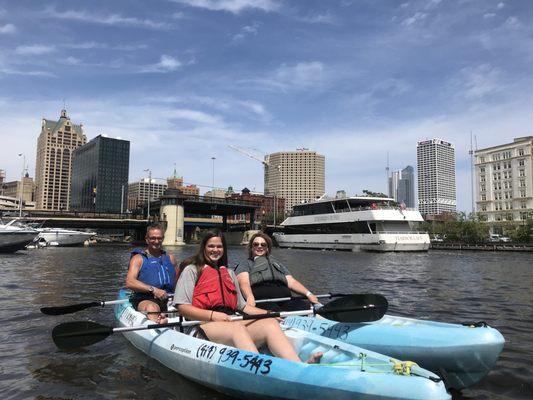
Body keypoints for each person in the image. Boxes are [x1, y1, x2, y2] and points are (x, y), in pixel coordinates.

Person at [174, 230, 321, 364]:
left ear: (223, 249)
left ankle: (298, 365)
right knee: (237, 329)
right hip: (202, 326)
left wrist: (267, 314)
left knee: (269, 323)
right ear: (204, 247)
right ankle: (261, 371)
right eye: (211, 246)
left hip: (230, 321)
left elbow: (242, 306)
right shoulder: (192, 271)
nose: (215, 250)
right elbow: (182, 307)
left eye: (219, 247)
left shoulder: (229, 273)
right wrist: (213, 315)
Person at [235, 232, 320, 312]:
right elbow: (244, 282)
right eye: (256, 244)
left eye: (263, 244)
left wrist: (309, 294)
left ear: (267, 248)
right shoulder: (246, 263)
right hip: (262, 302)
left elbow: (291, 281)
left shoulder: (277, 263)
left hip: (285, 300)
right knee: (273, 309)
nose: (259, 246)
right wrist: (249, 297)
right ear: (251, 247)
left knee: (303, 306)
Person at [125, 223, 177, 323]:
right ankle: (159, 325)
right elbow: (129, 282)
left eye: (159, 238)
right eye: (153, 238)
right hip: (146, 299)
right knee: (152, 308)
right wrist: (153, 290)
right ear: (147, 239)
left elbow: (178, 281)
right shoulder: (138, 259)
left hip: (169, 299)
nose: (156, 241)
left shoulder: (171, 258)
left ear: (163, 239)